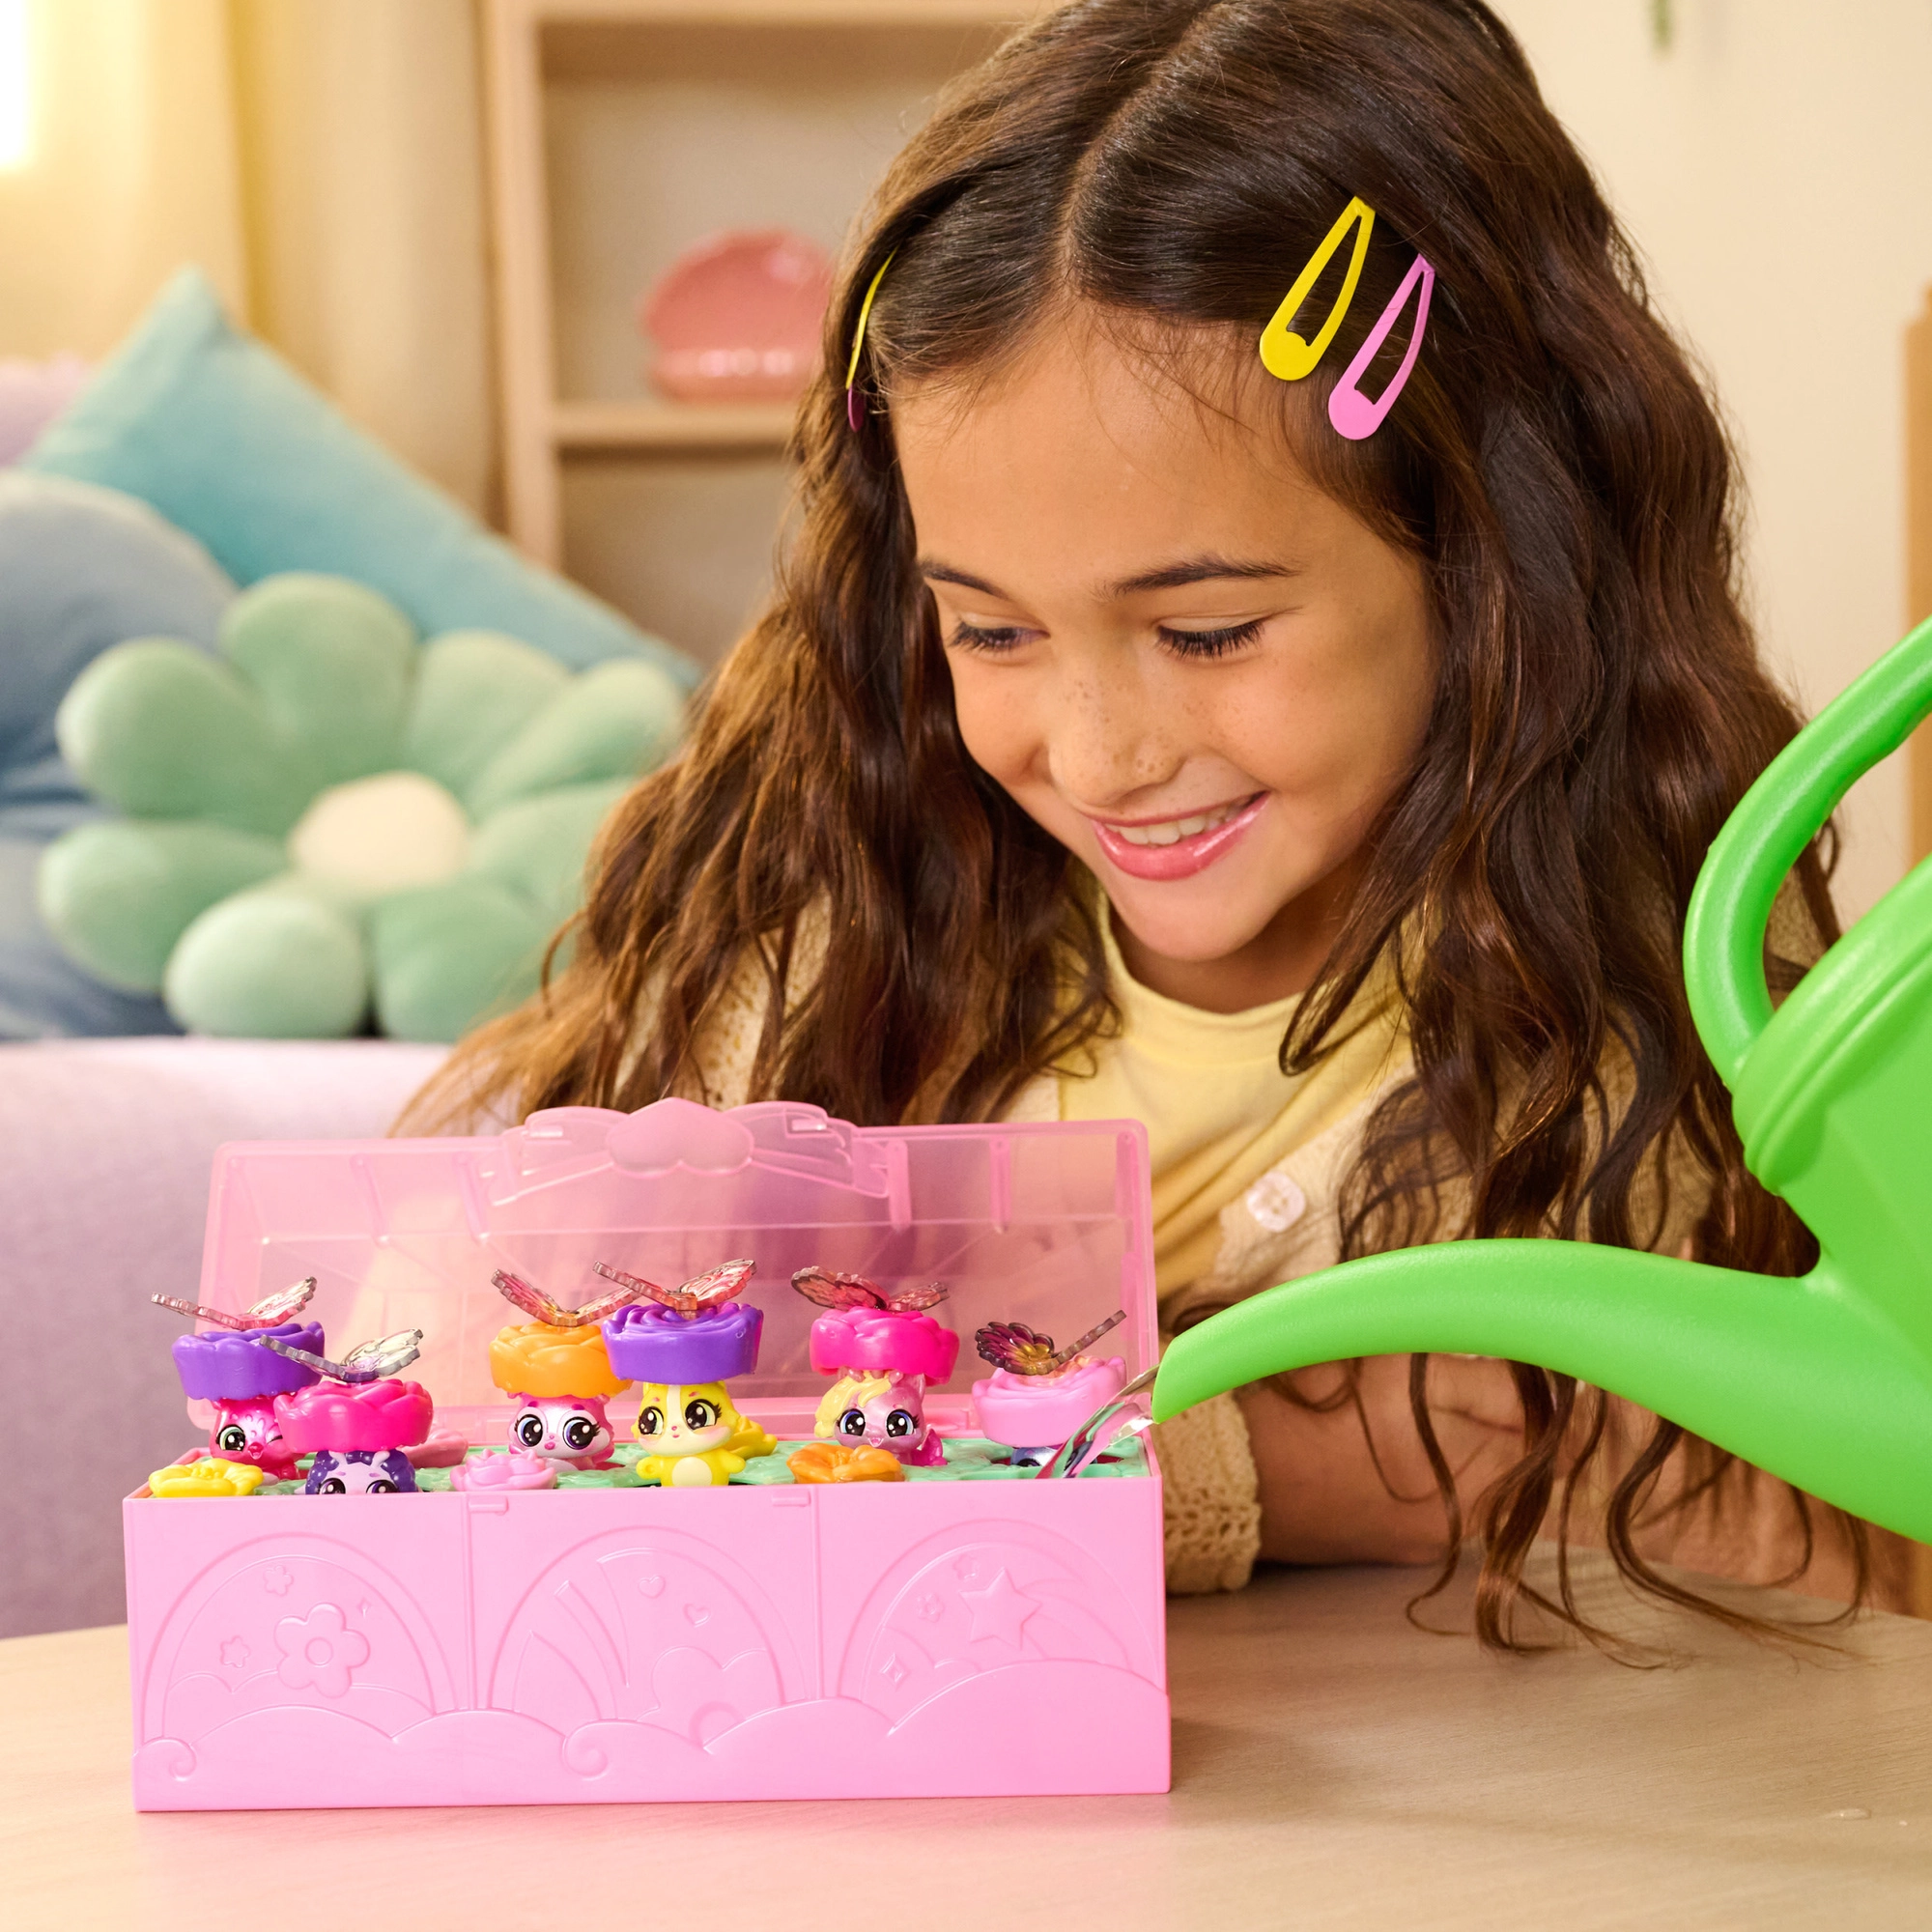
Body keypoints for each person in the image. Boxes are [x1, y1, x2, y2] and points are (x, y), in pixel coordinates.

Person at [407, 0, 1910, 1639]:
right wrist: (1258, 1464)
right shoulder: (837, 904)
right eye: (989, 630)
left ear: (1496, 560)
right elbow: (474, 1385)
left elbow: (1779, 1524)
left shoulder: (1643, 979)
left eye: (1206, 632)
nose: (1100, 755)